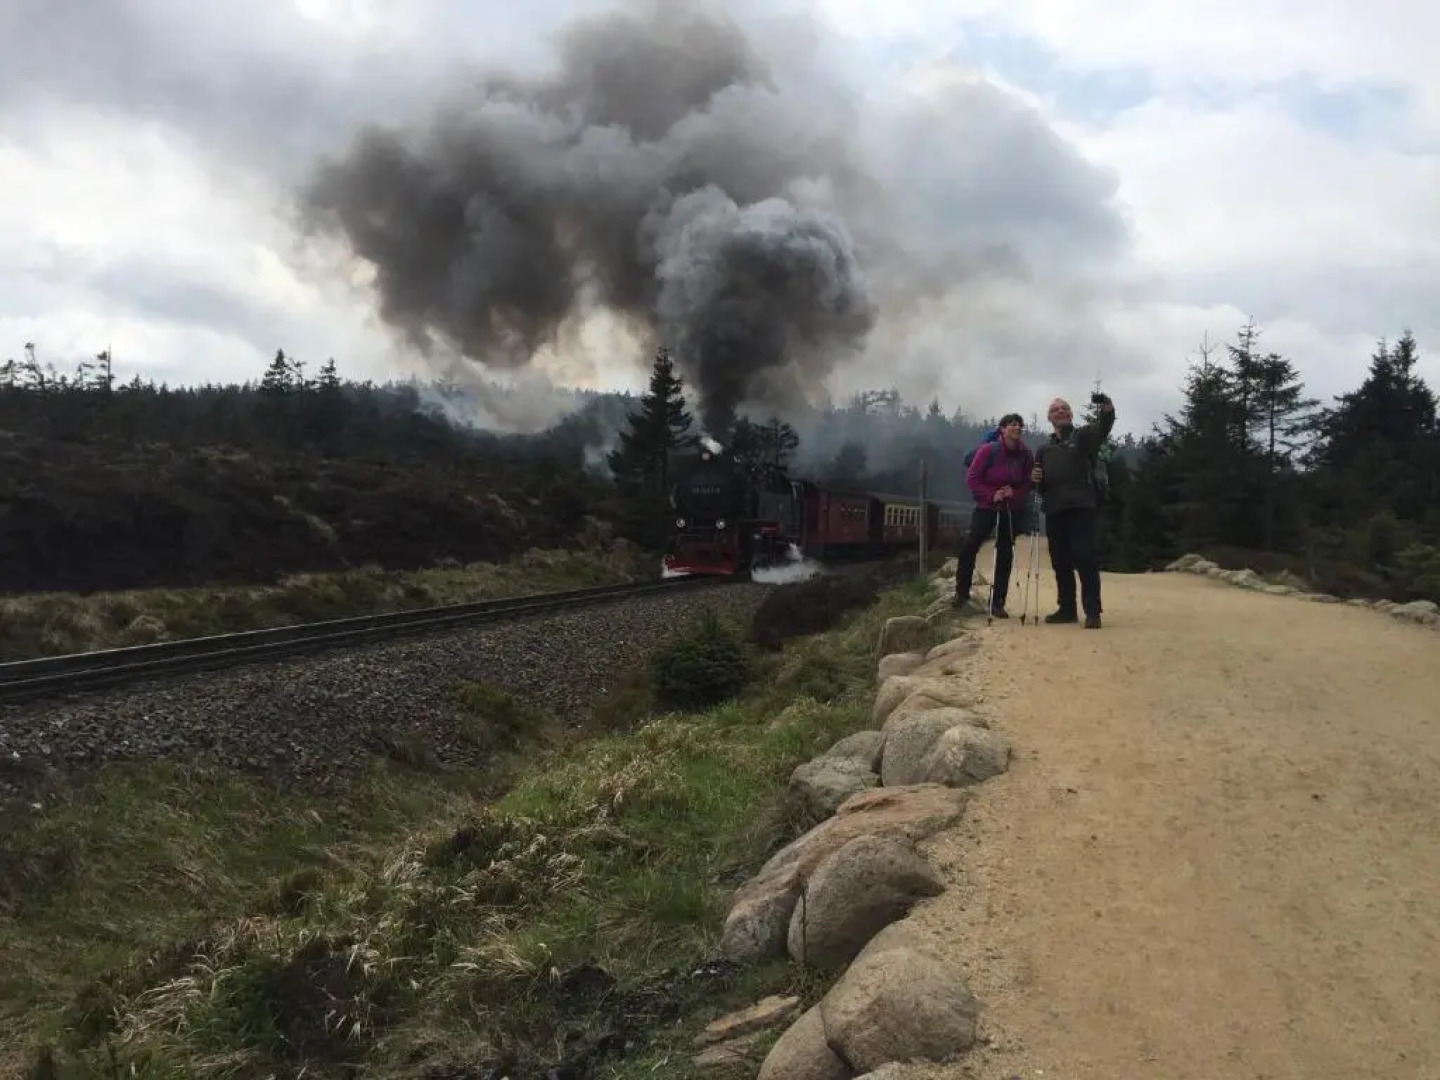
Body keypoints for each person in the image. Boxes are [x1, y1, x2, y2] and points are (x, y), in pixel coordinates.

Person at [1030, 393, 1116, 628]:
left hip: (1081, 506)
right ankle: (1066, 609)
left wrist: (1107, 407)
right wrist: (1034, 479)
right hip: (1055, 509)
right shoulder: (1043, 450)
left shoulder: (1083, 437)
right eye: (1056, 409)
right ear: (1049, 417)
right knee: (1060, 561)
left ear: (1070, 414)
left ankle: (1092, 612)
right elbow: (1039, 486)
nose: (1061, 411)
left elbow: (1103, 428)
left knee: (1084, 557)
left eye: (1064, 408)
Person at [954, 413, 1033, 616]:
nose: (1017, 428)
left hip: (1010, 509)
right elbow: (972, 478)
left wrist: (1014, 493)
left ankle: (997, 603)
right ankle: (961, 594)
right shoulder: (988, 450)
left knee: (1005, 553)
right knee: (970, 545)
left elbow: (1028, 483)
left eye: (1019, 425)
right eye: (1012, 425)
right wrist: (991, 495)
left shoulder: (1025, 455)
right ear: (1002, 429)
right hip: (986, 507)